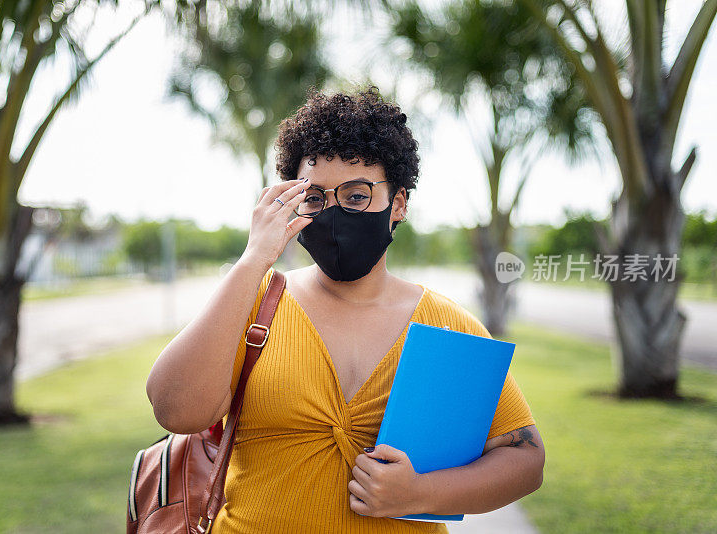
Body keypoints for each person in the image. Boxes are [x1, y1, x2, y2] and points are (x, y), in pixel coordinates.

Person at [145, 87, 544, 533]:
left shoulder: (448, 325)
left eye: (356, 196)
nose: (334, 213)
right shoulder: (254, 303)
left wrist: (421, 493)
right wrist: (255, 258)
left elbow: (525, 459)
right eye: (315, 198)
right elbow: (174, 410)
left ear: (398, 204)